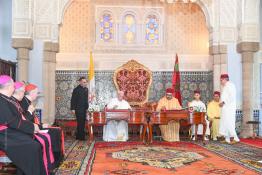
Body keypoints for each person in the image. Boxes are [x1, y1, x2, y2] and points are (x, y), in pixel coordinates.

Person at [0, 75, 47, 175]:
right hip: (5, 136)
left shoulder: (7, 99)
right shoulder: (1, 101)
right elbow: (12, 121)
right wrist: (31, 127)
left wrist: (31, 127)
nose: (14, 88)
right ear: (8, 87)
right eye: (13, 86)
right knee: (33, 146)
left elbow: (17, 119)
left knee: (34, 144)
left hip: (11, 132)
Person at [20, 83, 64, 168]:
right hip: (30, 130)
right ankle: (54, 160)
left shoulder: (27, 102)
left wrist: (41, 124)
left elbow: (32, 119)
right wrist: (41, 126)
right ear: (32, 93)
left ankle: (56, 159)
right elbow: (25, 120)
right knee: (55, 132)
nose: (37, 95)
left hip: (34, 126)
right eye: (36, 92)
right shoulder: (24, 103)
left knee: (57, 130)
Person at [219, 74, 239, 144]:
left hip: (229, 108)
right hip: (225, 108)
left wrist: (223, 102)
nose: (221, 82)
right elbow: (225, 97)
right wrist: (221, 103)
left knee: (229, 122)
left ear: (225, 79)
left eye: (221, 80)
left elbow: (231, 97)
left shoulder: (231, 85)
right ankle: (227, 138)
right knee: (225, 122)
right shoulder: (225, 87)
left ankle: (235, 138)